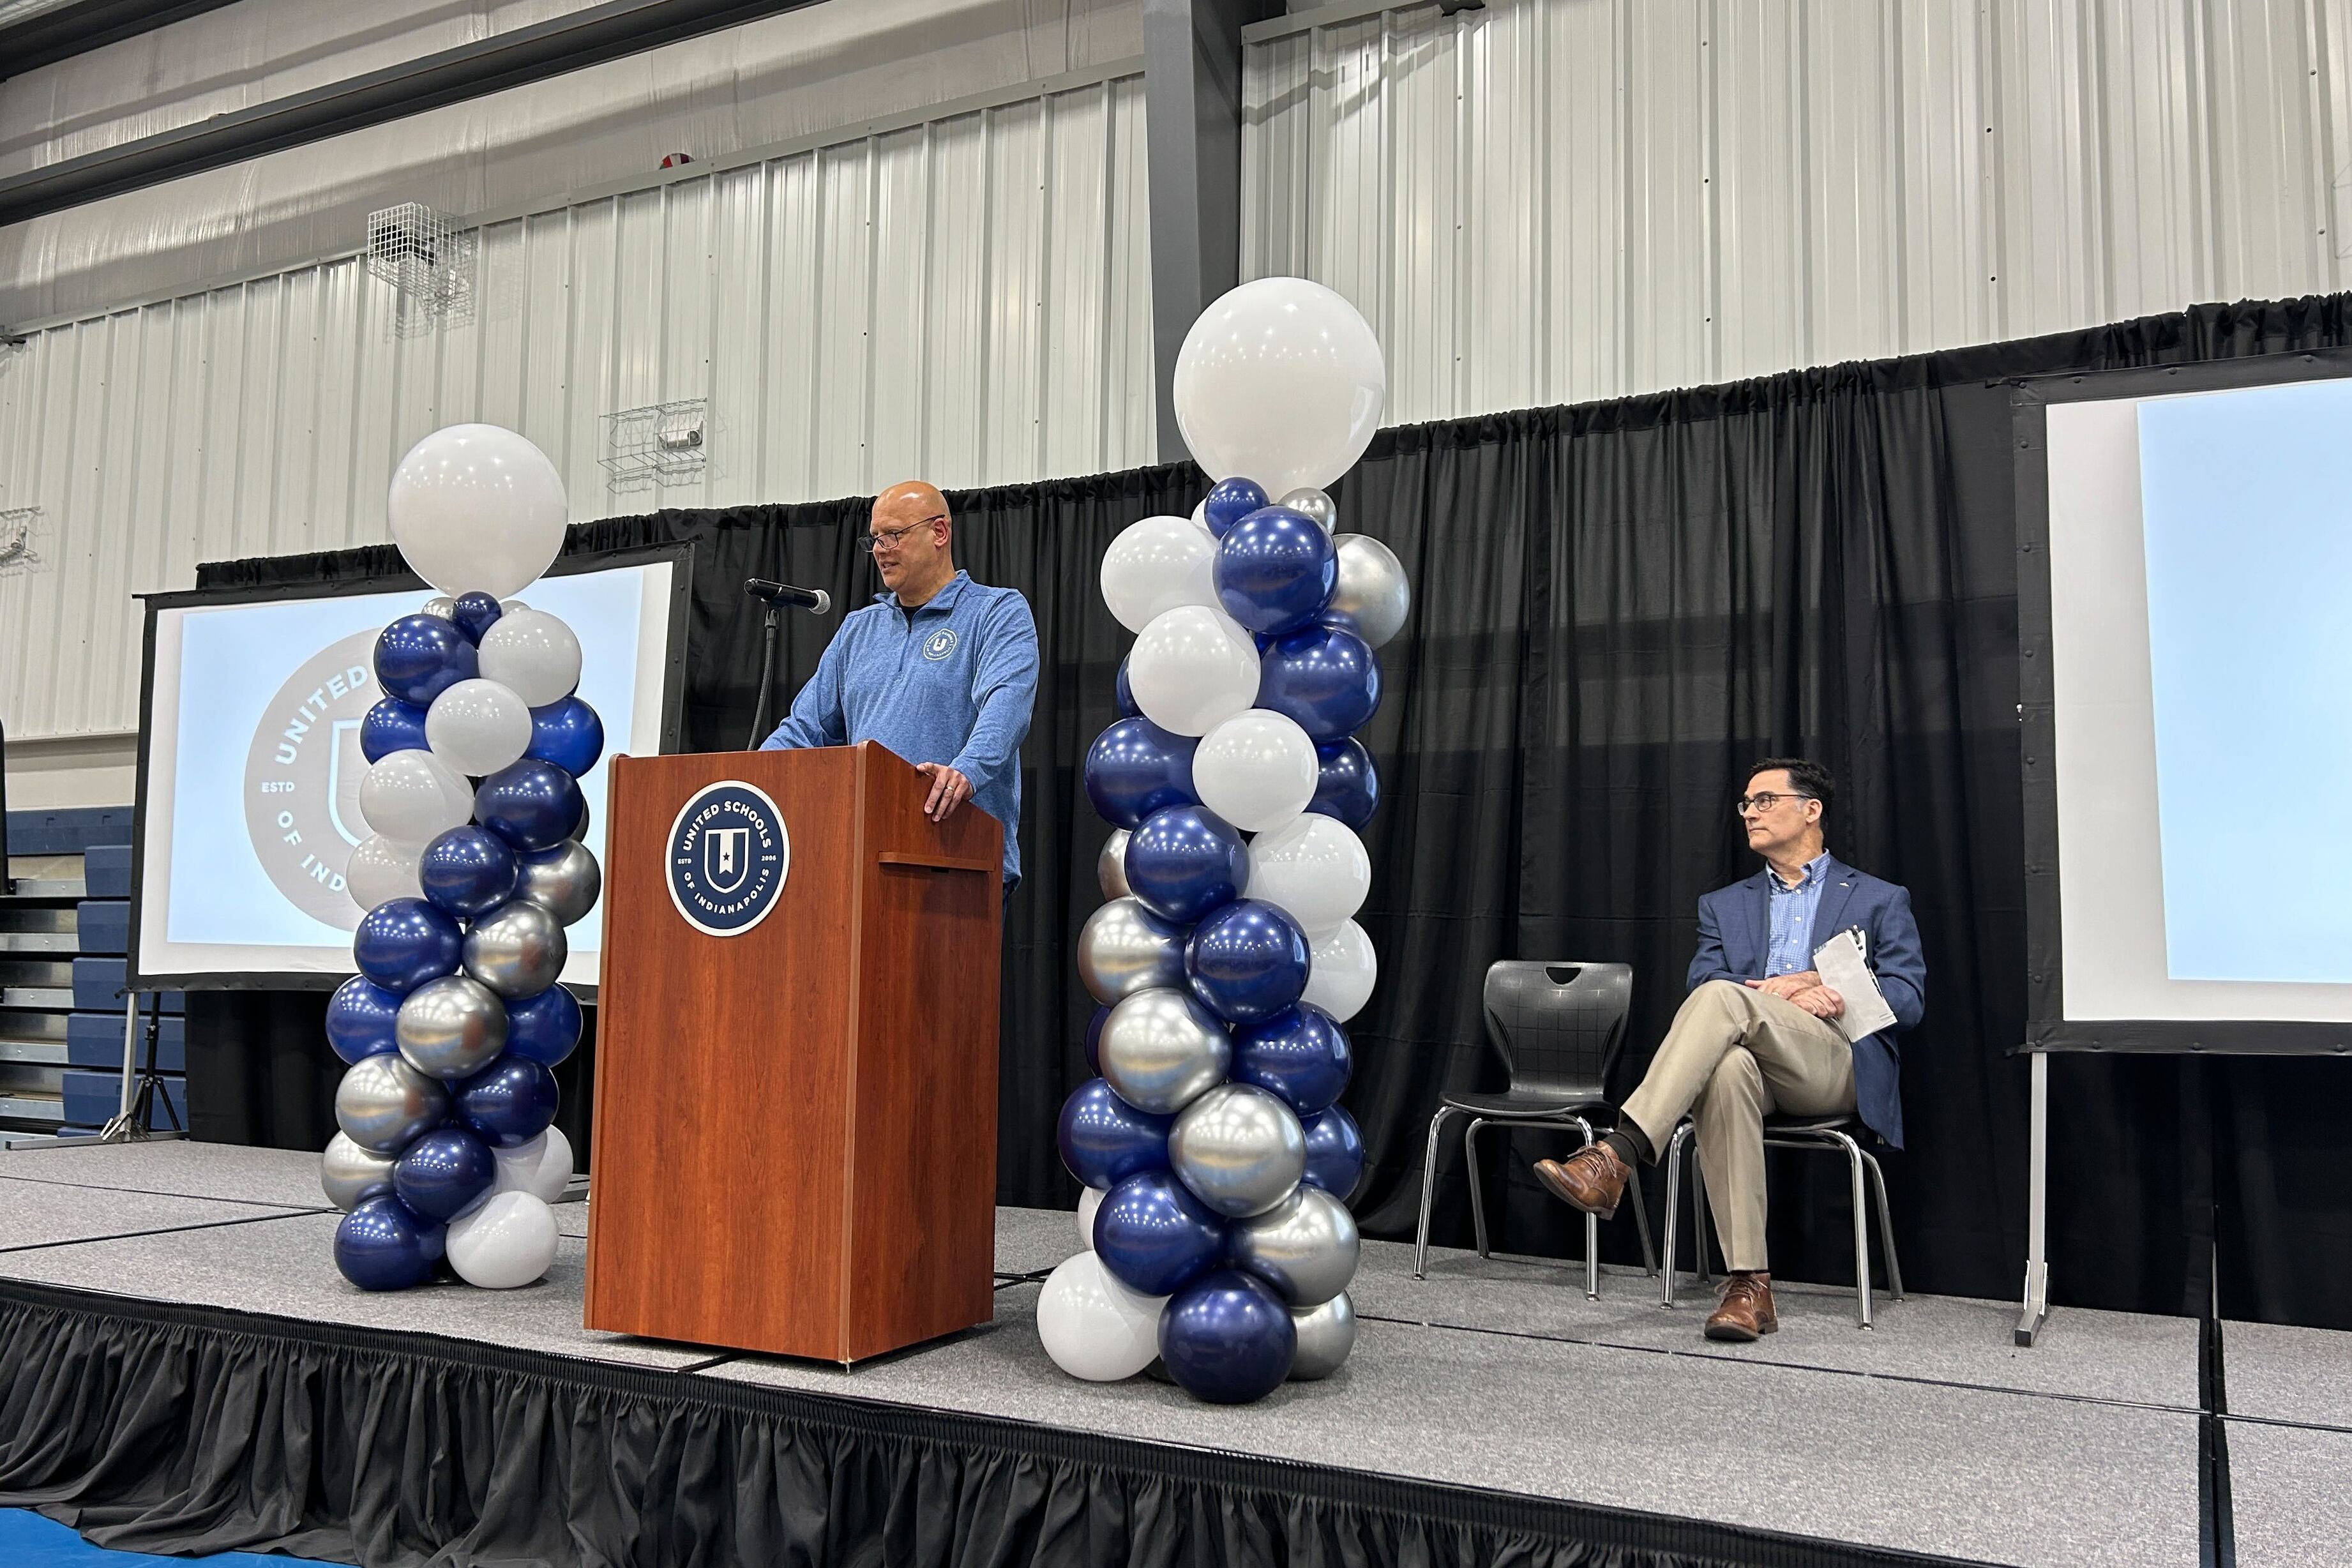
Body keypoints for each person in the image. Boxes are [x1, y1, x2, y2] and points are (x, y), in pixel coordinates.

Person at [1534, 758, 1925, 1341]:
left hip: (1834, 1063)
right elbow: (1702, 988)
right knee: (1726, 1069)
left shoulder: (1878, 898)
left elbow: (1908, 999)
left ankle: (1619, 1153)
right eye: (1745, 804)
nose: (1749, 813)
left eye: (1764, 801)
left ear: (1810, 810)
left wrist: (1821, 986)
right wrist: (1774, 993)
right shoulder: (1725, 904)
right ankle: (1750, 1286)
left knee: (1723, 1002)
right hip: (1755, 1060)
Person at [760, 480, 1039, 894]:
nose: (880, 549)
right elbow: (803, 730)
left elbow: (1006, 705)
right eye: (874, 539)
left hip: (958, 860)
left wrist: (967, 770)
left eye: (894, 535)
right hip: (860, 863)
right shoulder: (858, 629)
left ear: (939, 533)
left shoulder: (996, 612)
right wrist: (747, 779)